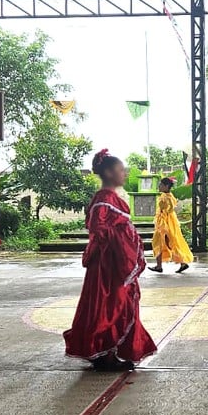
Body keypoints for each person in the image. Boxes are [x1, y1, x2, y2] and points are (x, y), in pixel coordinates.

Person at [64, 149, 156, 371]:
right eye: (120, 170)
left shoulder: (109, 198)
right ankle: (105, 353)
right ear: (107, 172)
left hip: (111, 263)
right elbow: (99, 229)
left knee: (112, 305)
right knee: (110, 305)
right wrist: (123, 245)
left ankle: (106, 351)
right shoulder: (105, 199)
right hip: (108, 266)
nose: (124, 174)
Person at [149, 177, 192, 274]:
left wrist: (163, 215)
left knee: (160, 242)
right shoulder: (167, 195)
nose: (159, 186)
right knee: (168, 242)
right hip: (166, 221)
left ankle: (160, 266)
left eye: (161, 185)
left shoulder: (167, 197)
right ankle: (179, 263)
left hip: (165, 222)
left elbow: (170, 209)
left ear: (166, 186)